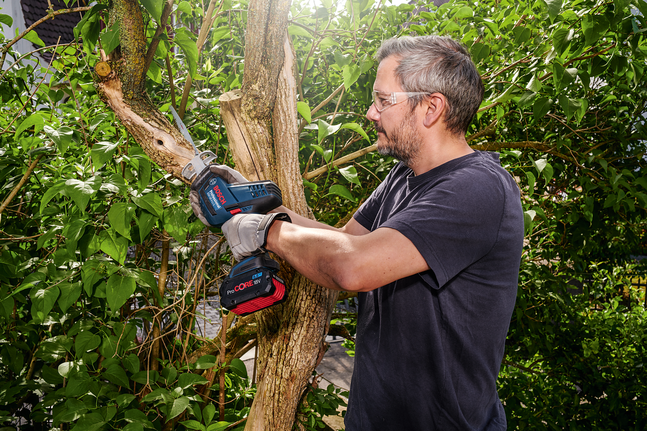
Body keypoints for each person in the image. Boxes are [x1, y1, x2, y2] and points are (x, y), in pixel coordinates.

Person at [191, 35, 524, 430]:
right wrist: (253, 204)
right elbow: (343, 239)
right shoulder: (405, 174)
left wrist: (265, 231)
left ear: (432, 107)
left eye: (384, 100)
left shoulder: (478, 188)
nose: (371, 112)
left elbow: (352, 267)